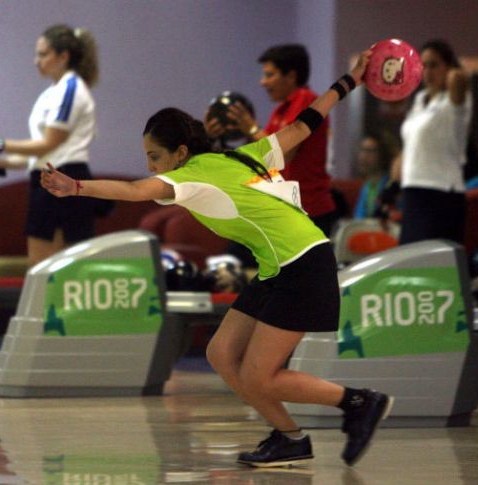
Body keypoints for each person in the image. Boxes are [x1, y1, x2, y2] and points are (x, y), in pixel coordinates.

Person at [41, 49, 394, 468]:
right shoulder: (241, 155)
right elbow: (304, 126)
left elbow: (135, 191)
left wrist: (75, 187)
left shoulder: (190, 176)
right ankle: (290, 438)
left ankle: (358, 402)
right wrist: (349, 81)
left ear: (180, 153)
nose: (151, 166)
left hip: (302, 263)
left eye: (155, 157)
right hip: (281, 266)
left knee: (259, 376)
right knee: (222, 354)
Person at [0, 24, 101, 268]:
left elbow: (48, 144)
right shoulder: (51, 94)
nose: (36, 60)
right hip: (48, 177)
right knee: (42, 265)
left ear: (63, 56)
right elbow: (37, 156)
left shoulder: (71, 90)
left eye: (43, 54)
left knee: (52, 267)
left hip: (65, 179)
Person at [205, 44, 339, 237]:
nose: (263, 82)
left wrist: (251, 127)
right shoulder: (280, 110)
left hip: (308, 210)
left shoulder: (307, 101)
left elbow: (283, 152)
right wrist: (214, 138)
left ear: (291, 76)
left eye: (269, 75)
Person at [387, 39, 472, 245]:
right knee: (410, 262)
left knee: (436, 267)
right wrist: (392, 187)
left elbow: (458, 80)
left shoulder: (457, 100)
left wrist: (453, 70)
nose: (427, 72)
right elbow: (409, 147)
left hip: (441, 194)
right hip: (413, 192)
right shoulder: (420, 100)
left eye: (434, 65)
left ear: (448, 67)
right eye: (423, 66)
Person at [353, 133, 398, 219]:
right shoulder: (366, 186)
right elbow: (358, 219)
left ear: (383, 155)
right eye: (362, 150)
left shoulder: (390, 185)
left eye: (370, 151)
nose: (363, 156)